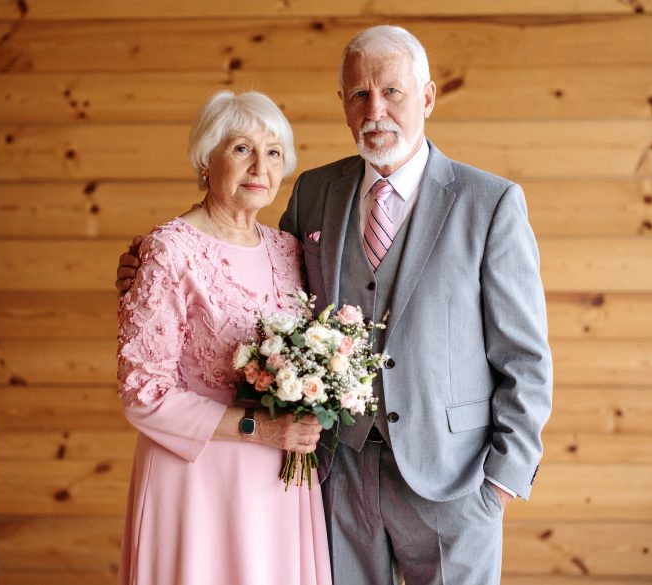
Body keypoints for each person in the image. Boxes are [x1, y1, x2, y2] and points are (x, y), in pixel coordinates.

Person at [117, 26, 553, 585]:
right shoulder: (314, 193)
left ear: (427, 97)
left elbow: (525, 356)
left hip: (453, 482)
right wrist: (146, 268)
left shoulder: (489, 203)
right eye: (359, 95)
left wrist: (501, 481)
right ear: (343, 104)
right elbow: (259, 292)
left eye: (392, 92)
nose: (376, 110)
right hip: (334, 477)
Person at [115, 90, 331, 585]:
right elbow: (141, 395)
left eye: (273, 153)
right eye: (241, 149)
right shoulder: (168, 250)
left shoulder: (288, 250)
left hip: (278, 481)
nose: (260, 166)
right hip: (195, 478)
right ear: (205, 160)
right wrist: (261, 429)